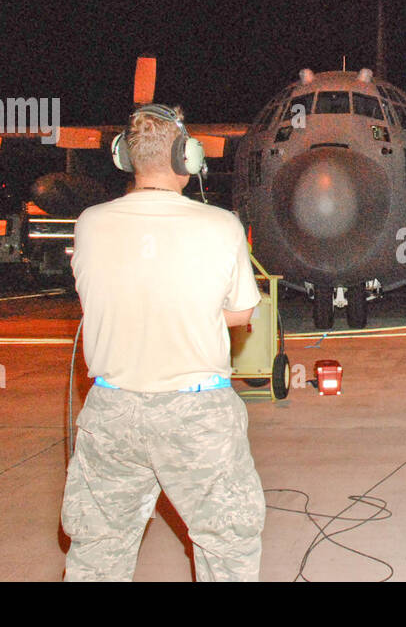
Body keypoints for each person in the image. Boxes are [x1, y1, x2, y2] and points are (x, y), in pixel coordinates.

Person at [61, 104, 265, 581]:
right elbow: (242, 312)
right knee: (227, 546)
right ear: (187, 157)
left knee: (97, 552)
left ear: (123, 158)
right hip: (195, 415)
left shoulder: (90, 222)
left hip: (112, 412)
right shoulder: (220, 226)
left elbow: (99, 296)